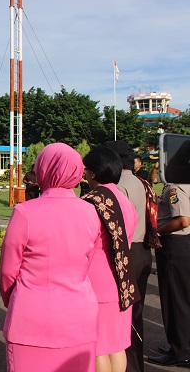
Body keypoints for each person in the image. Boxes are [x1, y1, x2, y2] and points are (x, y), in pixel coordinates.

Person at [0, 143, 101, 372]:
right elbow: (87, 263)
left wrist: (13, 301)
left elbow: (8, 271)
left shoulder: (25, 212)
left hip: (31, 318)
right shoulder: (90, 212)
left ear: (43, 170)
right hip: (79, 316)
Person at [82, 146, 138, 372]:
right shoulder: (122, 198)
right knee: (117, 347)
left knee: (98, 349)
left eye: (86, 170)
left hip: (97, 285)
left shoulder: (91, 202)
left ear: (93, 173)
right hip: (123, 282)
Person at [103, 140, 154, 372]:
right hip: (144, 249)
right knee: (137, 314)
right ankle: (136, 364)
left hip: (128, 252)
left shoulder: (119, 186)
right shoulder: (142, 182)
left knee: (123, 318)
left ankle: (128, 366)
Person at [147, 182, 190, 367]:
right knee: (181, 299)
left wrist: (156, 232)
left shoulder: (176, 186)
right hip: (180, 244)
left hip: (174, 243)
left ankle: (180, 351)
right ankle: (179, 345)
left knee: (175, 300)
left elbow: (183, 220)